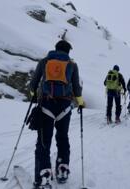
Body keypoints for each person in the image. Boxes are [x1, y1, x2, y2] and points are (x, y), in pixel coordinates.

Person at [29, 40, 84, 188]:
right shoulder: (72, 65)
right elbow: (77, 88)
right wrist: (80, 102)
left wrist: (34, 94)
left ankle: (44, 175)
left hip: (46, 105)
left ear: (55, 49)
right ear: (68, 51)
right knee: (62, 137)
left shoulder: (44, 61)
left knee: (43, 142)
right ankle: (62, 169)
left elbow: (33, 84)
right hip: (64, 108)